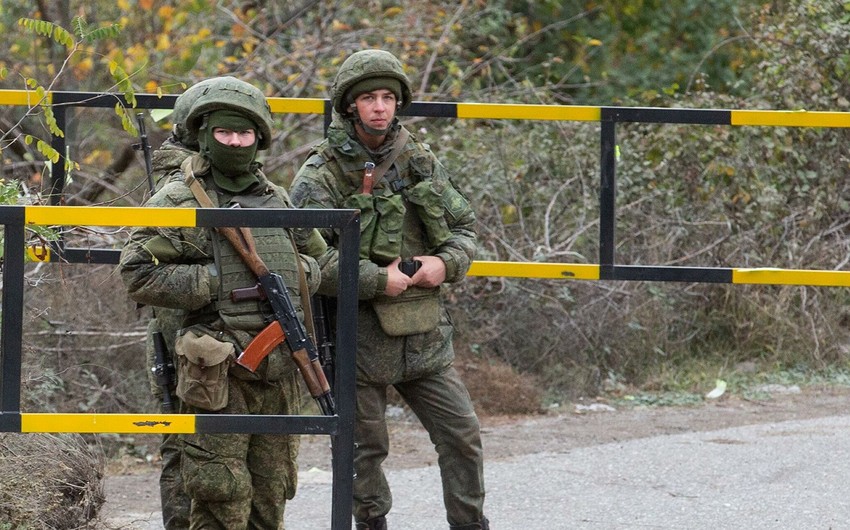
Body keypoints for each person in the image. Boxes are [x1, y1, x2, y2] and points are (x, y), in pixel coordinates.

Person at [289, 49, 489, 530]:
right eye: (368, 99)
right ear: (349, 106)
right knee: (364, 450)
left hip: (423, 334)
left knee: (462, 435)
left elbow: (463, 226)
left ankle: (470, 524)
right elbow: (311, 262)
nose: (380, 107)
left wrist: (447, 262)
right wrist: (378, 279)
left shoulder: (418, 159)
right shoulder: (319, 176)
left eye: (387, 97)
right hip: (356, 338)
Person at [120, 76, 326, 529]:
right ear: (205, 137)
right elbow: (137, 272)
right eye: (224, 133)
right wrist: (217, 280)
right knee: (220, 492)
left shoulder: (279, 199)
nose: (235, 142)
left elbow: (320, 262)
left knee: (272, 492)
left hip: (278, 369)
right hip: (216, 369)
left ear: (259, 140)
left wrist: (294, 275)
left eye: (245, 133)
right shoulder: (178, 200)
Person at [141, 77, 224, 530]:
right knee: (181, 444)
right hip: (180, 331)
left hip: (213, 332)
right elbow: (141, 268)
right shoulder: (180, 181)